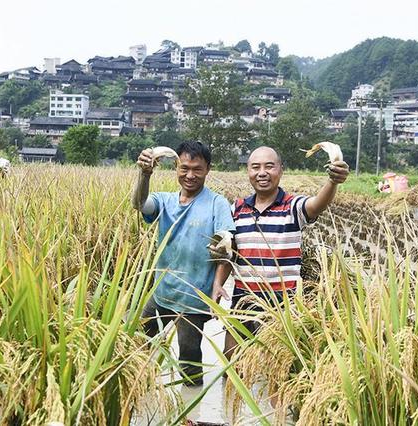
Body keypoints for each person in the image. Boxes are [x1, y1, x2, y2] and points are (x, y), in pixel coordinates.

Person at [210, 146, 349, 361]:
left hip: (284, 302)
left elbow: (317, 205)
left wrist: (332, 182)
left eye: (269, 166)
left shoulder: (293, 206)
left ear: (280, 171)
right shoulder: (236, 209)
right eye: (255, 167)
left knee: (278, 371)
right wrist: (218, 283)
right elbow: (229, 253)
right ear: (248, 171)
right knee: (232, 364)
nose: (262, 172)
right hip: (244, 298)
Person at [132, 141, 234, 386]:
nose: (190, 175)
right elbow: (139, 204)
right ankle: (135, 389)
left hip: (195, 300)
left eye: (197, 169)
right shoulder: (164, 200)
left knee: (189, 357)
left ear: (208, 169)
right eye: (184, 168)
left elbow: (227, 245)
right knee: (136, 343)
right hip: (162, 292)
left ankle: (192, 410)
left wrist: (218, 284)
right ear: (177, 167)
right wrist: (144, 174)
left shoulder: (216, 204)